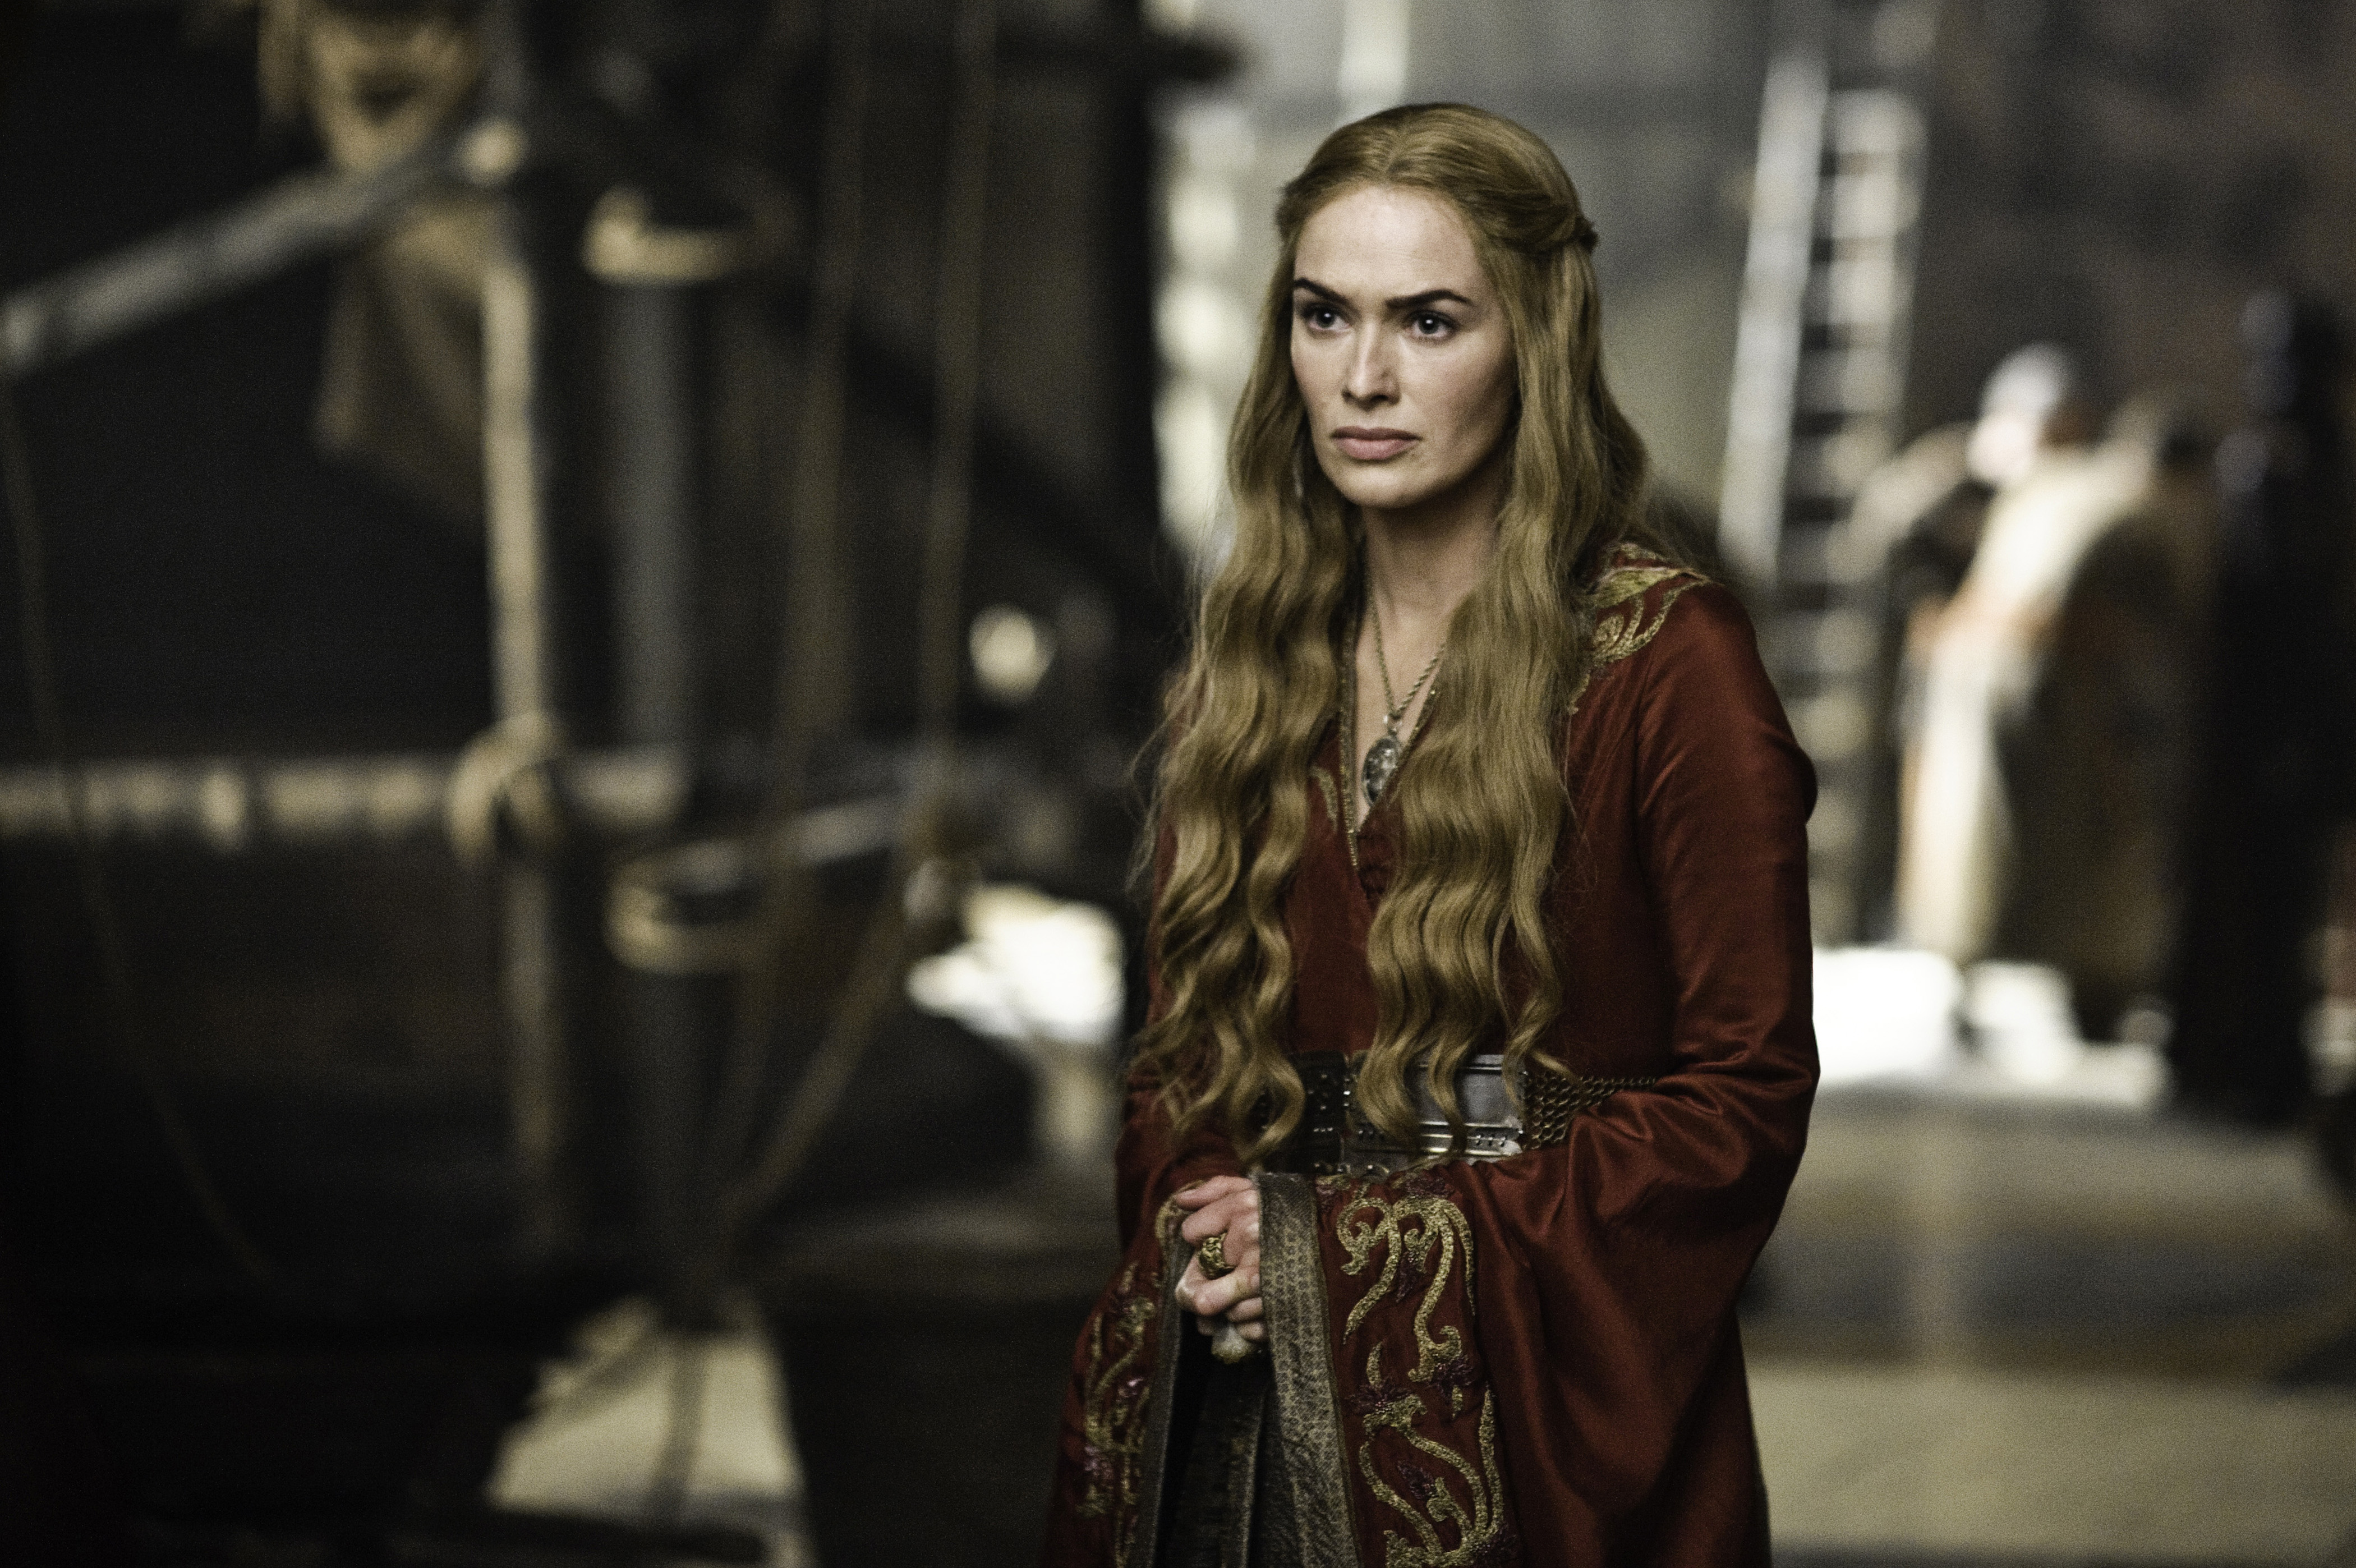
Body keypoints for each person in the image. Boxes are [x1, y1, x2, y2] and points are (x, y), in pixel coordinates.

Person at [1041, 105, 1816, 1568]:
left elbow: (1743, 1097)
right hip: (1247, 1407)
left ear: (1536, 340)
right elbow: (1177, 1060)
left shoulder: (1669, 662)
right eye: (1324, 316)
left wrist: (1340, 1256)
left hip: (1545, 1416)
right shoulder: (1253, 659)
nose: (1365, 377)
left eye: (1430, 321)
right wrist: (1217, 1226)